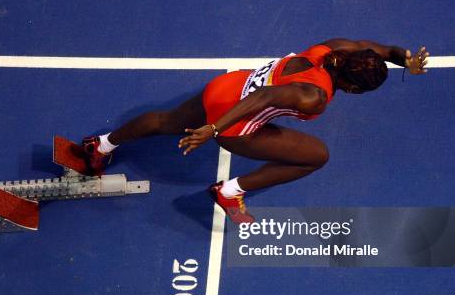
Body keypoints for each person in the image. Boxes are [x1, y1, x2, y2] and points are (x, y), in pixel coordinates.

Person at [80, 39, 429, 223]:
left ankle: (102, 145)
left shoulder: (332, 49)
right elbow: (265, 97)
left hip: (226, 88)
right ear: (352, 90)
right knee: (316, 156)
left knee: (166, 121)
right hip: (236, 121)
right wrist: (213, 129)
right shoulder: (314, 96)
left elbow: (382, 50)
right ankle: (229, 191)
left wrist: (405, 59)